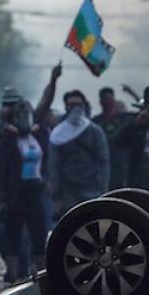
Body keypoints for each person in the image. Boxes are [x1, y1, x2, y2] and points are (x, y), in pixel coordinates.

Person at [0, 92, 49, 281]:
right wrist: (0, 198)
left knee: (39, 234)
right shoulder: (6, 138)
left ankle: (42, 278)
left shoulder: (40, 134)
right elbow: (1, 171)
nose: (23, 118)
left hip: (36, 190)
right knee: (13, 236)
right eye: (19, 115)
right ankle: (14, 277)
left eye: (26, 114)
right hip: (15, 193)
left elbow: (45, 104)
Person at [48, 90, 109, 223]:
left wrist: (104, 189)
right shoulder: (58, 133)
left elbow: (103, 160)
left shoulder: (95, 131)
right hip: (68, 192)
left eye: (78, 104)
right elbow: (53, 164)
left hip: (92, 189)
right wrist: (56, 195)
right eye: (71, 104)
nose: (75, 108)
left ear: (84, 106)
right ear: (66, 107)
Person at [93, 87, 133, 190]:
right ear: (101, 102)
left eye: (109, 100)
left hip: (121, 166)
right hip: (101, 168)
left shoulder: (125, 120)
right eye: (105, 100)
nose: (107, 103)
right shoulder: (95, 122)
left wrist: (132, 93)